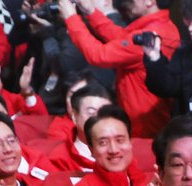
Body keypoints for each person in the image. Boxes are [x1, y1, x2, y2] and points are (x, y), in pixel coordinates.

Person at [61, 0, 182, 137]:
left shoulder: (153, 34)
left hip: (145, 128)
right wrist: (90, 12)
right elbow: (121, 38)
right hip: (145, 121)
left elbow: (99, 55)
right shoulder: (160, 26)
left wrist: (71, 17)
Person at [69, 105, 153, 186]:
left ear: (130, 142)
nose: (113, 150)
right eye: (103, 142)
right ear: (91, 149)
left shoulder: (152, 185)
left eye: (120, 140)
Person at [35, 82, 112, 174]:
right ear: (74, 116)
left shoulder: (121, 150)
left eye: (104, 113)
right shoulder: (60, 158)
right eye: (91, 113)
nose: (98, 119)